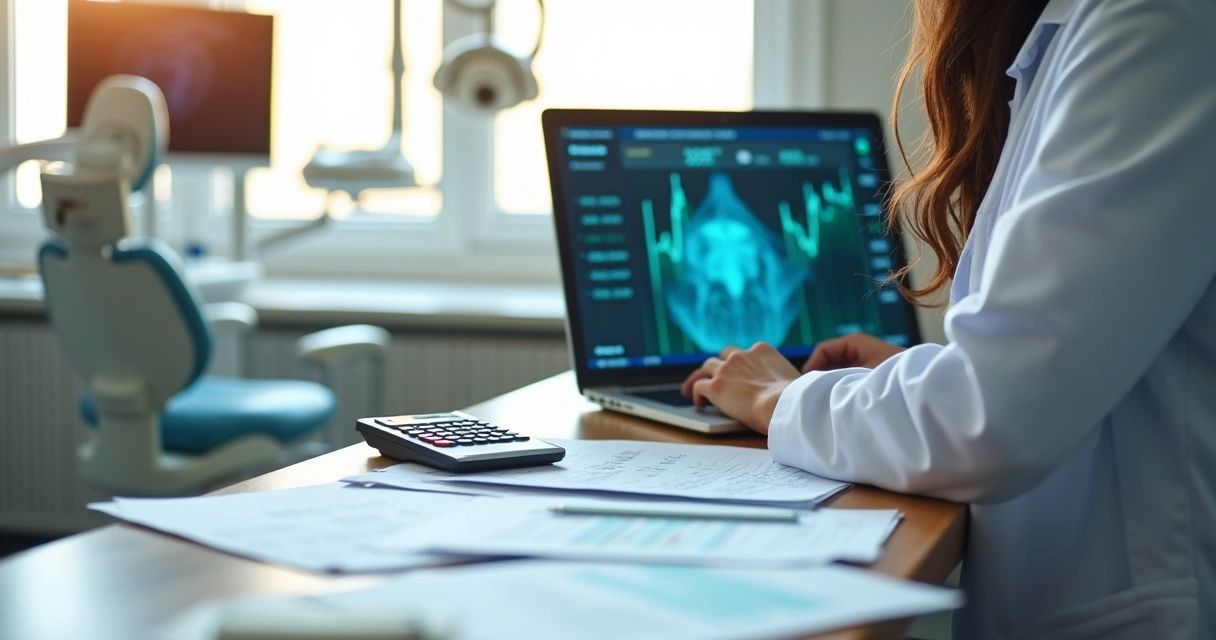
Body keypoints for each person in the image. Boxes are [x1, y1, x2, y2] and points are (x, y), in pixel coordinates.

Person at [681, 0, 1216, 638]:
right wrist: (926, 378)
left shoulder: (1154, 24)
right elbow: (1069, 351)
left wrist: (780, 397)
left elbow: (992, 416)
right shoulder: (1081, 33)